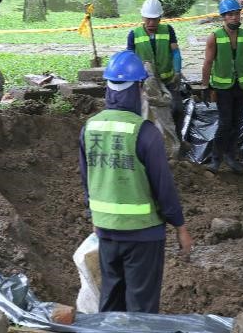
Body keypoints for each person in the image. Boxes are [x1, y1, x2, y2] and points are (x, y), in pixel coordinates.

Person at [79, 50, 193, 313]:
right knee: (141, 308)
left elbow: (87, 179)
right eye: (141, 88)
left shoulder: (90, 128)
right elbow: (163, 187)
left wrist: (94, 217)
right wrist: (180, 226)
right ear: (136, 88)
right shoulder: (145, 133)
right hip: (144, 234)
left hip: (106, 230)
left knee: (111, 299)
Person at [198, 0, 243, 174]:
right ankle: (216, 159)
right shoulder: (215, 37)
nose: (234, 17)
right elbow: (207, 63)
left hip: (240, 87)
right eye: (230, 14)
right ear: (223, 17)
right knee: (225, 123)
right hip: (222, 88)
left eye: (237, 14)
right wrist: (205, 86)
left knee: (237, 122)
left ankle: (230, 155)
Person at [127, 0, 184, 154]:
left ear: (160, 18)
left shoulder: (168, 30)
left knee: (177, 109)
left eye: (155, 19)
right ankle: (153, 145)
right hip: (147, 83)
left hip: (168, 79)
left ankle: (177, 142)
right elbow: (130, 58)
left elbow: (175, 52)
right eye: (148, 19)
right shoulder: (134, 34)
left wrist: (177, 70)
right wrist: (135, 79)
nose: (151, 23)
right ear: (143, 17)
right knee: (148, 113)